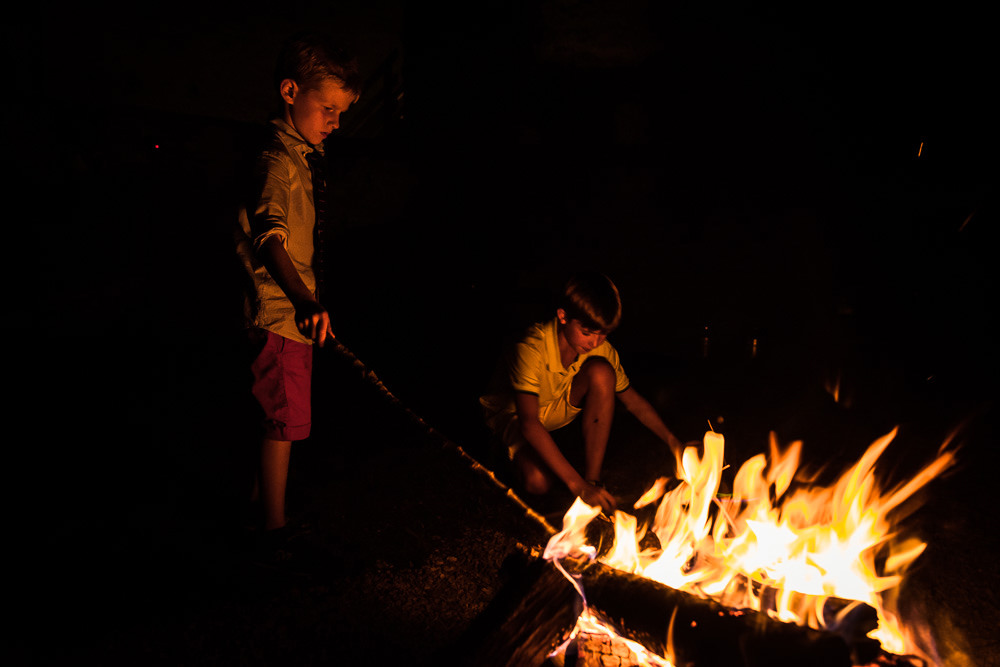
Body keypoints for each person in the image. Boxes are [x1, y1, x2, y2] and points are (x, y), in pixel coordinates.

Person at [235, 33, 361, 541]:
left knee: (281, 418)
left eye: (341, 112)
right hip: (279, 313)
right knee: (282, 422)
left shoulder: (299, 154)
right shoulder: (276, 161)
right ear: (291, 91)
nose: (335, 122)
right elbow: (269, 238)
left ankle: (258, 509)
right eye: (327, 108)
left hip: (293, 315)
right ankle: (274, 531)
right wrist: (305, 299)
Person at [480, 272, 685, 514]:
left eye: (603, 333)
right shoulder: (530, 347)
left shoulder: (600, 349)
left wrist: (673, 442)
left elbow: (634, 402)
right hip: (512, 414)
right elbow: (529, 423)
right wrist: (575, 485)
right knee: (538, 482)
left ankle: (593, 481)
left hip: (555, 406)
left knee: (602, 372)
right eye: (587, 332)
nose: (594, 342)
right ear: (563, 316)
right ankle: (501, 458)